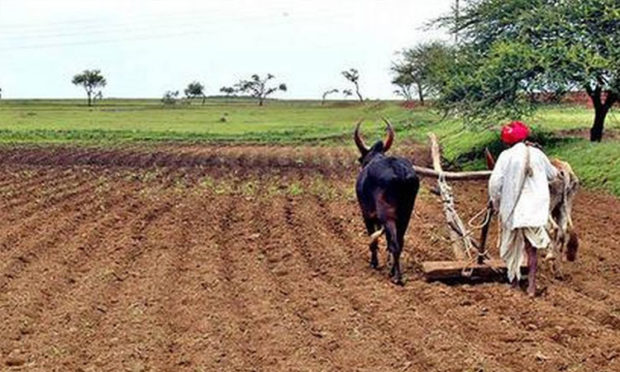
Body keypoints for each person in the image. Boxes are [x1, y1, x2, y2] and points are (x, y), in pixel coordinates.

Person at [488, 121, 558, 297]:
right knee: (531, 247)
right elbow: (553, 174)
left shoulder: (505, 156)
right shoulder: (538, 153)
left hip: (512, 209)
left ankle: (514, 282)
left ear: (506, 142)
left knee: (512, 245)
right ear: (525, 136)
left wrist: (495, 203)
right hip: (535, 209)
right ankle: (532, 286)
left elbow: (495, 183)